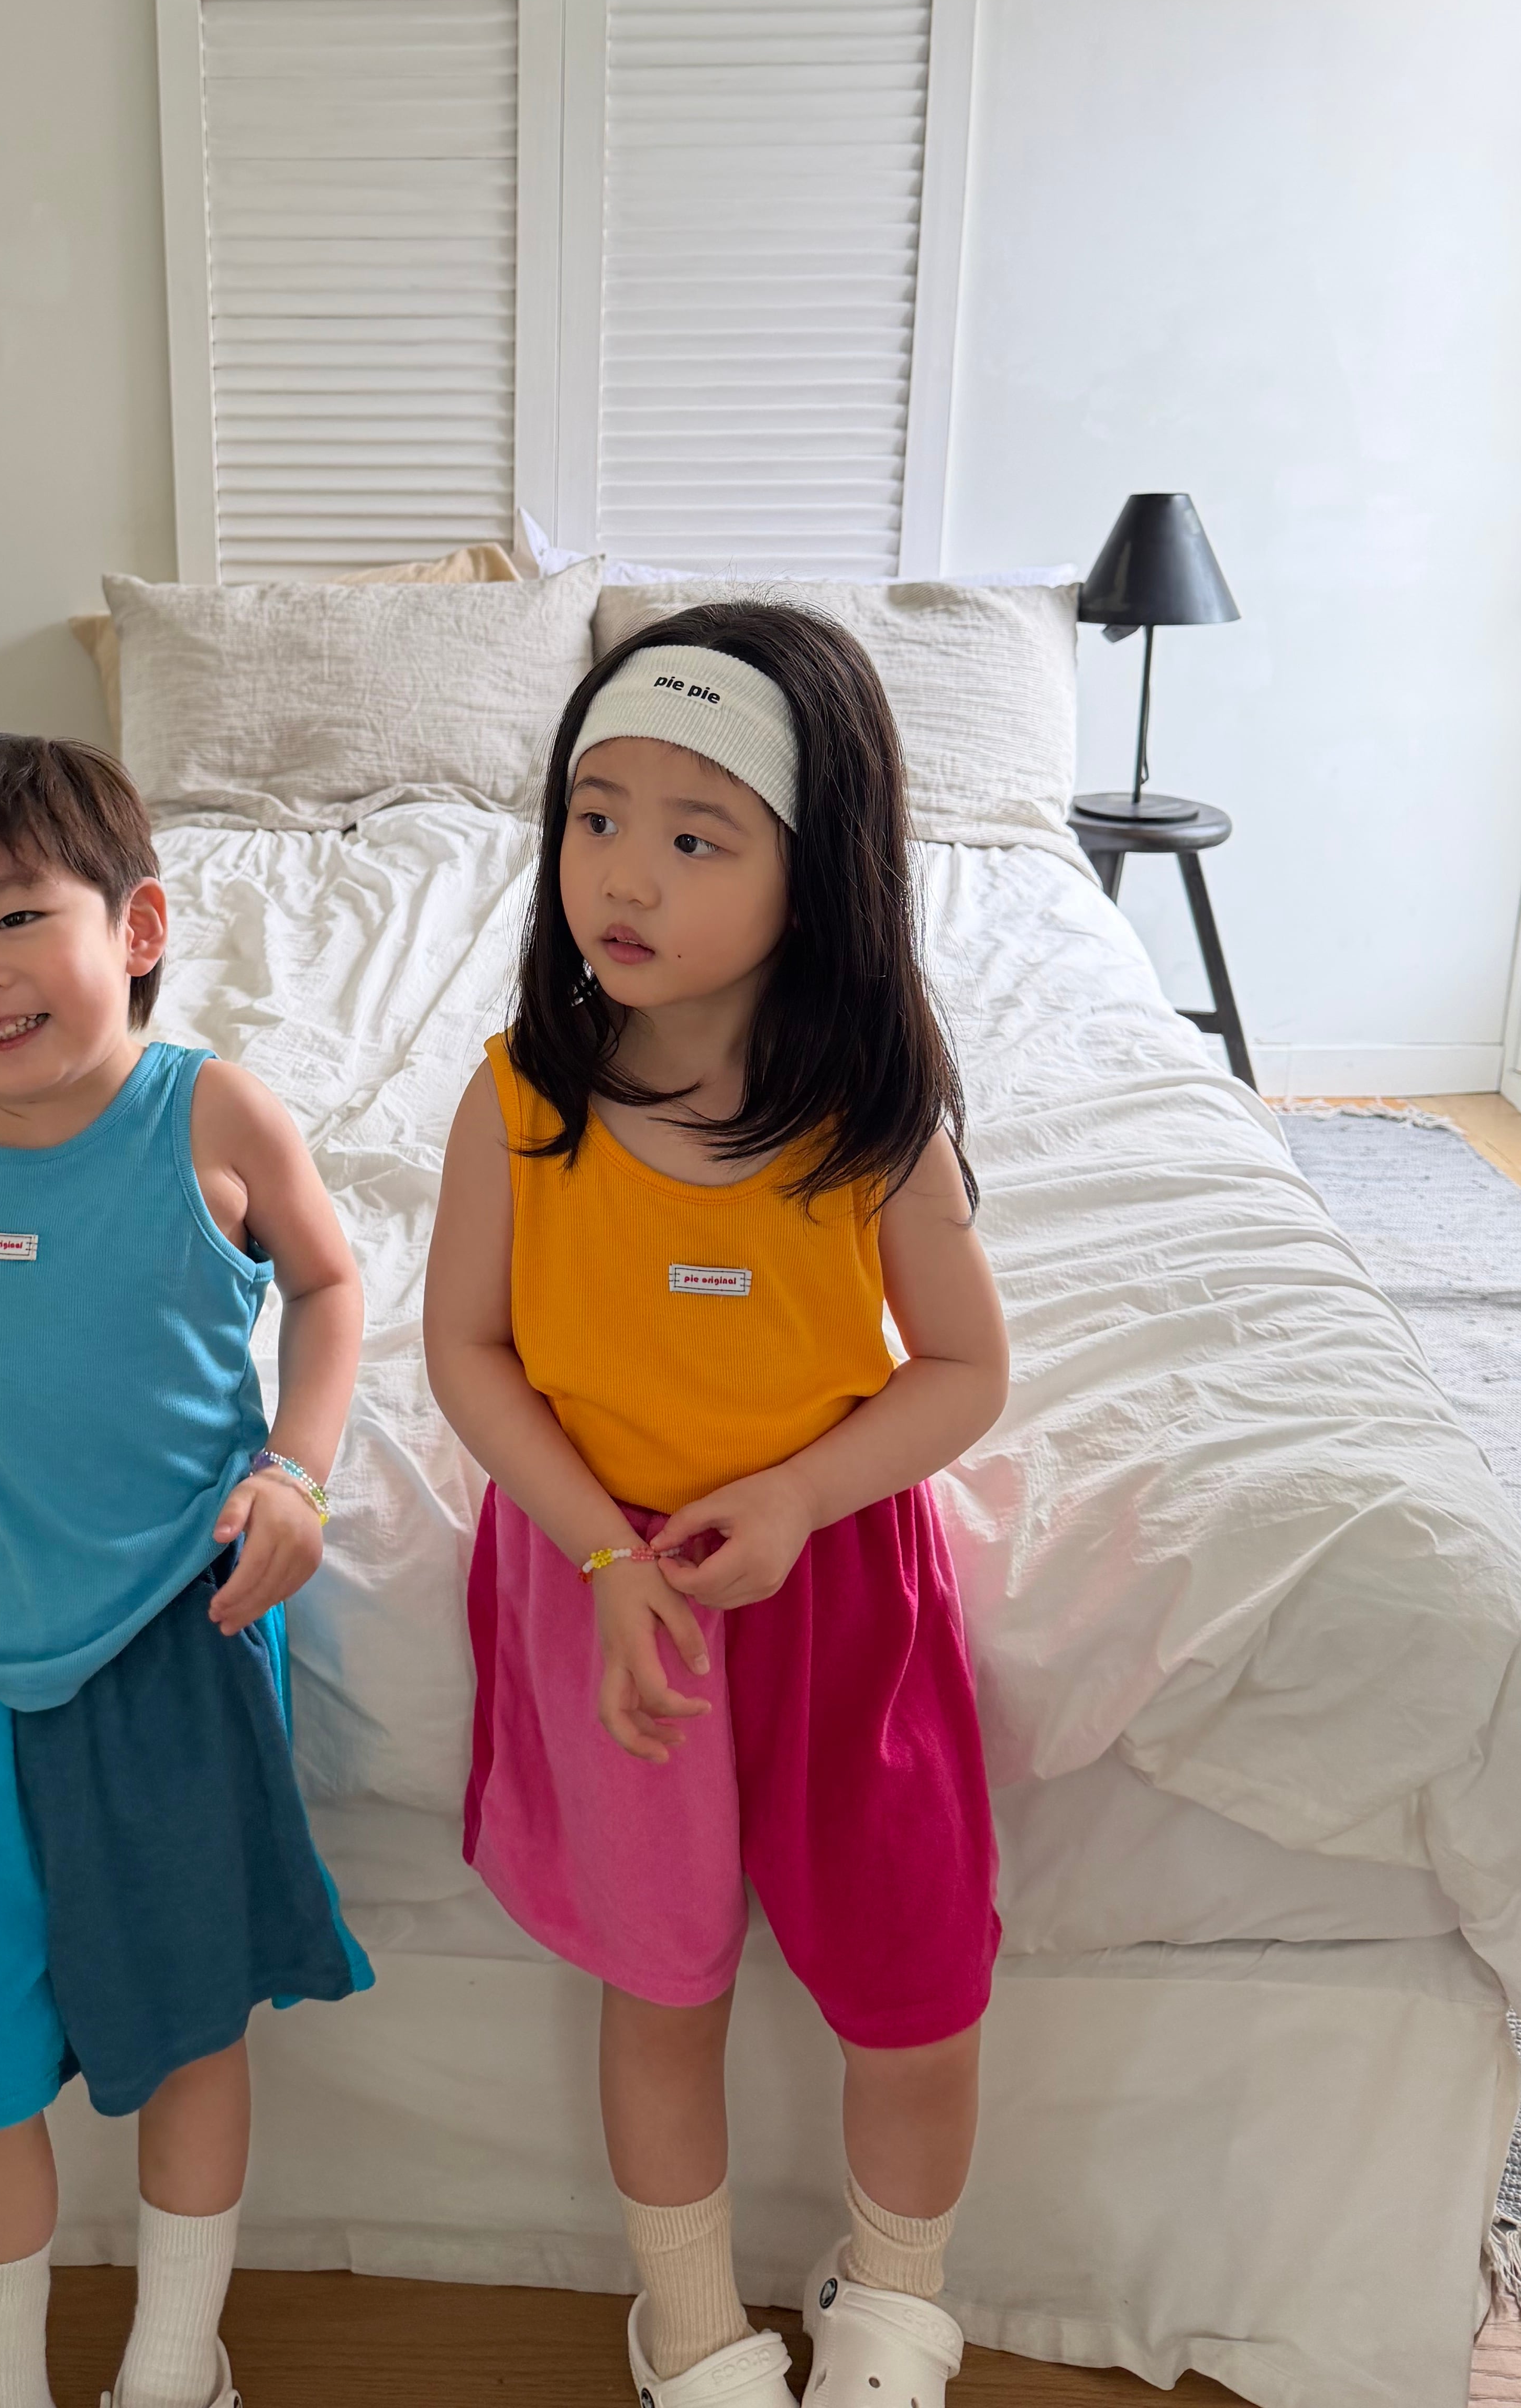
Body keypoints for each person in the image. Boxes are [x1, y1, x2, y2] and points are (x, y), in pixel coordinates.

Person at [424, 607, 1008, 2408]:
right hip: (609, 1583)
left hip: (835, 1588)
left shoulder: (874, 1125)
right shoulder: (518, 1104)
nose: (624, 875)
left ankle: (893, 2304)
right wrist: (605, 1555)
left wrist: (799, 1493)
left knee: (912, 1983)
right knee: (661, 1983)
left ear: (811, 876)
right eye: (595, 817)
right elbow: (464, 1353)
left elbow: (962, 1371)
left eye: (696, 837)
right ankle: (685, 2322)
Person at [0, 730, 371, 2408]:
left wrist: (297, 1472)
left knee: (190, 2028)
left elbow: (330, 1286)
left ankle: (173, 2364)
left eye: (13, 921)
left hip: (174, 1631)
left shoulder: (209, 1112)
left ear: (135, 928)